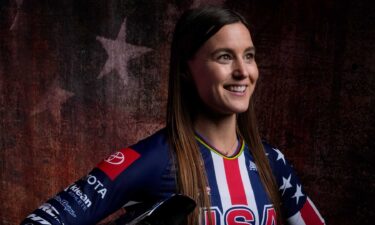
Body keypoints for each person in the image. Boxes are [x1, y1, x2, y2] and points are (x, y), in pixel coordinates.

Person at [20, 6, 325, 225]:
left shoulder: (273, 163)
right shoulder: (150, 161)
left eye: (249, 56)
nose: (243, 72)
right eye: (224, 57)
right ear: (186, 70)